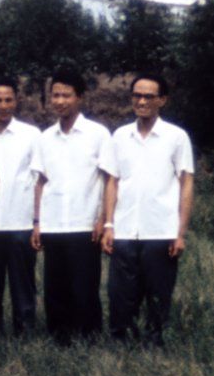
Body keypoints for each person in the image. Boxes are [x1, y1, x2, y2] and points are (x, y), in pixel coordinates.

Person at [102, 73, 195, 348]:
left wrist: (180, 233)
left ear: (162, 100)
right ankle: (120, 345)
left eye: (148, 97)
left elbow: (186, 183)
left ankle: (155, 346)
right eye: (137, 96)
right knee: (120, 295)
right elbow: (112, 182)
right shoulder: (120, 136)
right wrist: (109, 225)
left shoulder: (176, 137)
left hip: (161, 230)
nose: (141, 102)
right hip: (124, 230)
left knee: (158, 295)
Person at [30, 69, 112, 342]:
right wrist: (37, 223)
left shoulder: (98, 134)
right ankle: (59, 339)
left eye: (66, 95)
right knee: (55, 288)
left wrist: (103, 219)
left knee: (84, 287)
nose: (60, 101)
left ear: (80, 97)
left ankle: (89, 339)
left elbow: (108, 179)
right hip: (53, 225)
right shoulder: (45, 138)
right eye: (55, 95)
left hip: (85, 224)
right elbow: (41, 182)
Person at [0, 79, 40, 335]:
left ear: (16, 101)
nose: (3, 106)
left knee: (23, 284)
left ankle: (25, 331)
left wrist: (37, 221)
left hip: (21, 223)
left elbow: (38, 180)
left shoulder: (31, 135)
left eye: (8, 100)